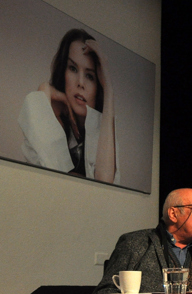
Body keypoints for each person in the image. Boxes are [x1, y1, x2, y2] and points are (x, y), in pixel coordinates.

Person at [17, 28, 118, 183]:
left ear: (99, 85)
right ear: (62, 71)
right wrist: (45, 88)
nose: (81, 83)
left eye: (90, 76)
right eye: (73, 68)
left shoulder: (103, 132)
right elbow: (53, 174)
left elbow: (105, 182)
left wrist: (109, 90)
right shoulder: (52, 117)